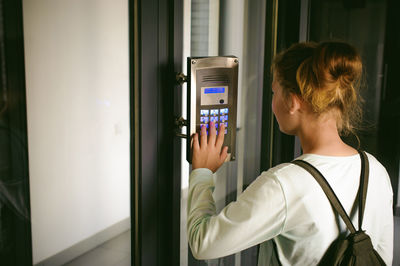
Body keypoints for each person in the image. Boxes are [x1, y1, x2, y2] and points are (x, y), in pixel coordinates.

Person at [187, 41, 393, 265]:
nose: (273, 102)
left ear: (293, 101)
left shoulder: (284, 185)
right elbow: (382, 256)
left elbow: (203, 242)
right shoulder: (375, 170)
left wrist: (203, 172)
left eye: (275, 91)